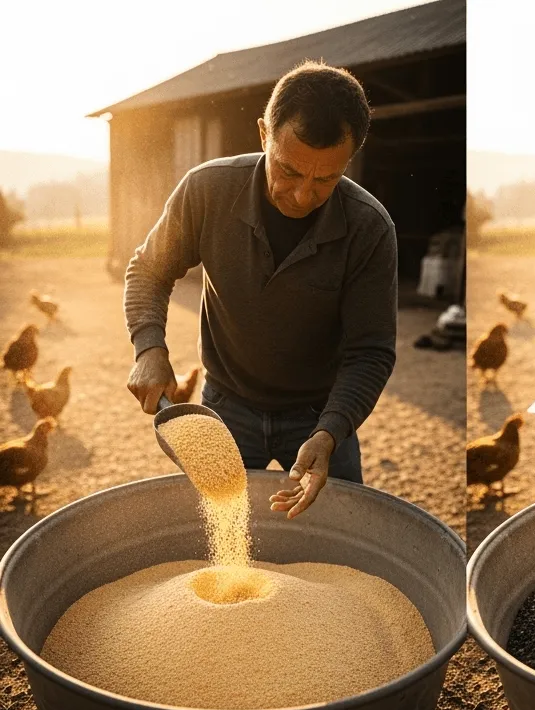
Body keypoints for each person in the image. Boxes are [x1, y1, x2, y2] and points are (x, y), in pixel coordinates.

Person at [125, 62, 397, 517]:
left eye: (326, 179)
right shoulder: (206, 190)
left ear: (349, 160)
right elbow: (149, 270)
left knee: (340, 537)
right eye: (288, 170)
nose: (303, 195)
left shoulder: (370, 227)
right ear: (262, 135)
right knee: (215, 532)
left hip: (320, 414)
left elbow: (371, 351)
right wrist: (149, 347)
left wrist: (331, 432)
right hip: (226, 408)